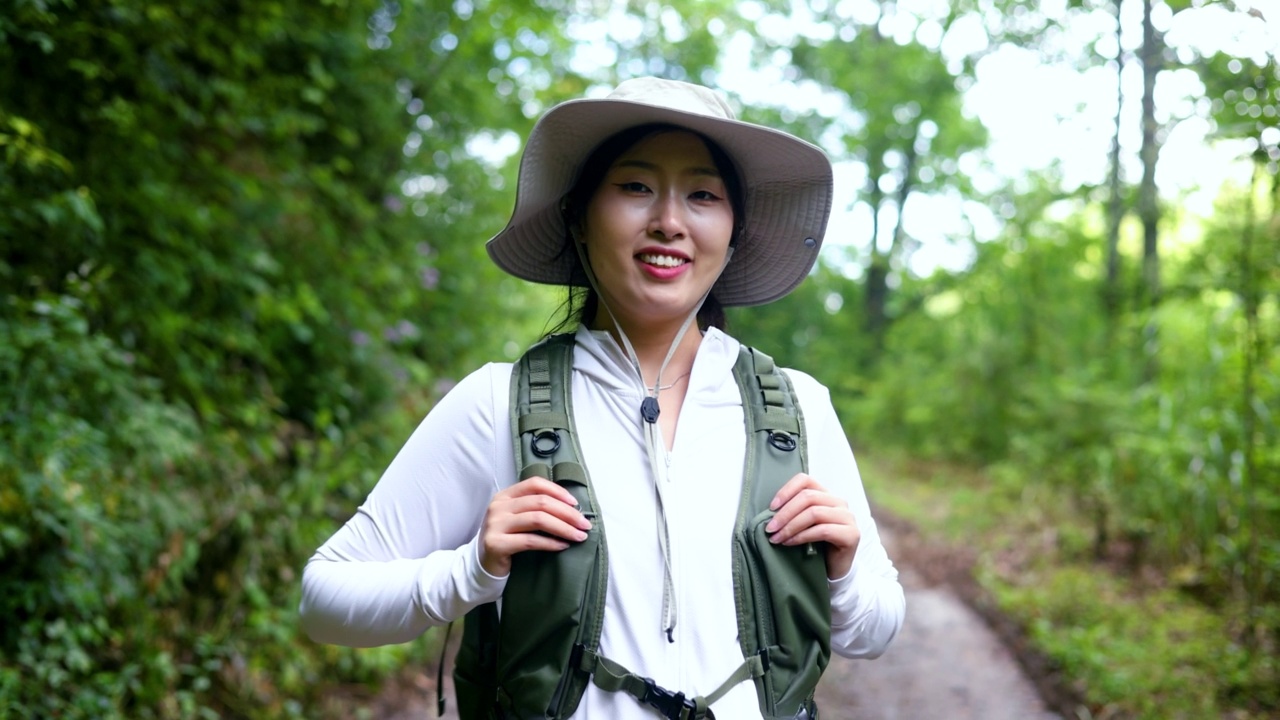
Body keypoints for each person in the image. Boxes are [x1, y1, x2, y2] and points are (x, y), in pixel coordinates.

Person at [300, 77, 904, 719]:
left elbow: (873, 630)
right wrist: (471, 570)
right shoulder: (495, 405)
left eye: (703, 194)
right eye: (635, 187)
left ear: (733, 235)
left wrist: (843, 568)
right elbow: (325, 599)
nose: (669, 222)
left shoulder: (797, 409)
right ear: (579, 219)